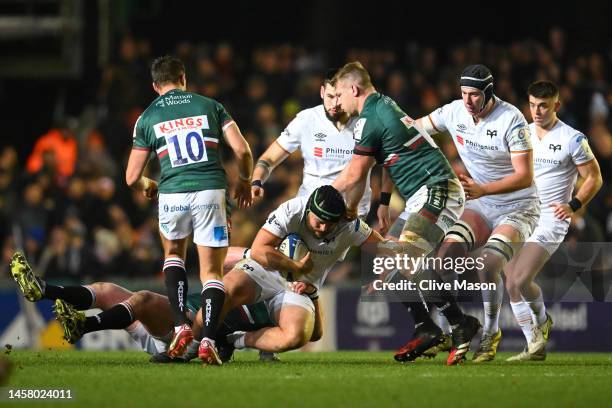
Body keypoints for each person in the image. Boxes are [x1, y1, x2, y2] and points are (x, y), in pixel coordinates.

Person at [331, 62, 480, 365]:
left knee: (405, 259)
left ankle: (459, 323)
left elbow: (354, 174)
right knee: (387, 261)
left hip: (437, 188)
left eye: (339, 94)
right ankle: (426, 328)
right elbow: (390, 156)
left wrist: (320, 197)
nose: (337, 102)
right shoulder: (383, 107)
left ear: (354, 89)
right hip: (419, 194)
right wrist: (384, 200)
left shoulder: (370, 117)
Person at [125, 55, 253, 364]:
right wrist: (245, 180)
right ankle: (207, 339)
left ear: (156, 86)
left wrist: (148, 186)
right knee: (211, 272)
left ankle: (181, 324)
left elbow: (131, 177)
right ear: (183, 78)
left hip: (172, 194)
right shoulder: (210, 106)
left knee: (174, 256)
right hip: (210, 190)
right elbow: (242, 150)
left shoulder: (147, 118)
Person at [415, 64, 540, 363]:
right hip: (481, 205)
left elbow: (524, 176)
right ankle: (458, 329)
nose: (468, 101)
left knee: (487, 264)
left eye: (474, 95)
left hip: (518, 206)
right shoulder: (454, 112)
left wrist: (483, 189)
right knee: (442, 260)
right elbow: (414, 127)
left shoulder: (511, 119)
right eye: (463, 94)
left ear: (488, 93)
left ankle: (490, 334)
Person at [8, 251, 293, 363]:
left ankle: (84, 325)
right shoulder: (254, 272)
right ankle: (44, 290)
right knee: (107, 290)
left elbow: (261, 340)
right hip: (181, 316)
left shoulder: (279, 301)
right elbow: (227, 255)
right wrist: (248, 253)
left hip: (184, 337)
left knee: (142, 299)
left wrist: (232, 342)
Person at [505, 80, 602, 361]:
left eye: (544, 105)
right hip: (520, 213)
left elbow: (594, 177)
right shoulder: (520, 134)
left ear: (556, 105)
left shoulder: (572, 138)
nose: (537, 111)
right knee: (510, 281)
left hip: (551, 217)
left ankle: (539, 329)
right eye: (533, 105)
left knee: (521, 278)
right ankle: (536, 341)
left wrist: (574, 204)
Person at [218, 185, 380, 354]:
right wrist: (296, 266)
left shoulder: (349, 226)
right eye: (319, 222)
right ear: (309, 210)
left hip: (300, 285)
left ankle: (233, 339)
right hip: (268, 271)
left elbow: (383, 247)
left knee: (308, 335)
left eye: (330, 224)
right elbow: (257, 250)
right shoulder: (292, 209)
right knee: (228, 283)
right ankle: (201, 339)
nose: (324, 228)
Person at [251, 68, 378, 220]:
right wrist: (257, 180)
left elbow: (392, 161)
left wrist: (384, 201)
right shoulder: (306, 120)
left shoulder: (369, 122)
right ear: (322, 92)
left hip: (351, 215)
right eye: (330, 96)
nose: (334, 104)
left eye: (339, 96)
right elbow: (268, 159)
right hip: (309, 209)